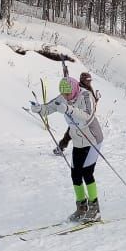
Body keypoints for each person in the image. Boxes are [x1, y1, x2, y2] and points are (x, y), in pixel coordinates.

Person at [31, 76, 105, 222]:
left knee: (87, 172)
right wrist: (39, 109)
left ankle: (95, 209)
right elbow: (50, 107)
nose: (65, 96)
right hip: (78, 141)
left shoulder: (85, 95)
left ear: (74, 89)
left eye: (67, 94)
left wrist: (69, 109)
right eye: (63, 94)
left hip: (92, 138)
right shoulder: (63, 97)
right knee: (75, 174)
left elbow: (88, 116)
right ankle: (81, 207)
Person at [57, 72, 101, 154]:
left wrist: (96, 99)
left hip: (85, 117)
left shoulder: (89, 88)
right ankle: (60, 148)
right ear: (82, 80)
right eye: (87, 80)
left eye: (90, 80)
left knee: (72, 133)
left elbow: (92, 101)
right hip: (77, 116)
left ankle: (61, 147)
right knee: (70, 133)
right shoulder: (78, 88)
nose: (89, 82)